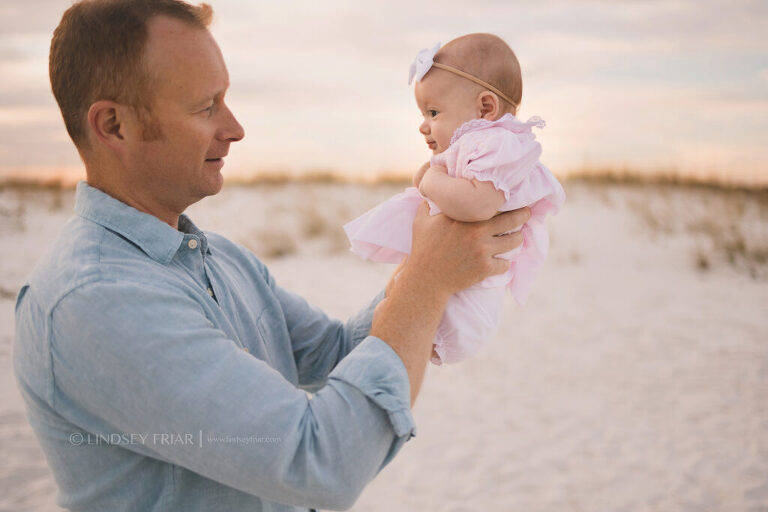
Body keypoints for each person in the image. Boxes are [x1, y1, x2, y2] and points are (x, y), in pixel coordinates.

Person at [12, 1, 530, 511]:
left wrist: (439, 256)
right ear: (113, 126)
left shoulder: (220, 259)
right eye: (205, 106)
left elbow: (337, 352)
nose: (235, 128)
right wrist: (425, 281)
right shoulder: (98, 301)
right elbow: (322, 464)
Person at [344, 34, 565, 365]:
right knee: (390, 328)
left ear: (485, 108)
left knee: (404, 331)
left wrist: (432, 179)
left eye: (433, 112)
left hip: (471, 291)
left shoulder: (497, 145)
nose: (423, 126)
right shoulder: (477, 148)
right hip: (449, 270)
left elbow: (477, 205)